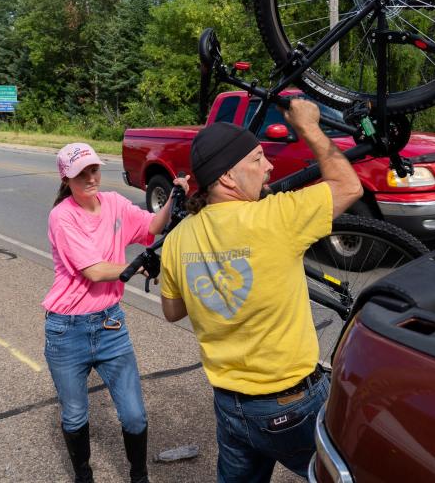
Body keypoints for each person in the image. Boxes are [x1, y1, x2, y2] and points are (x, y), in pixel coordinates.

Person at [159, 99, 362, 481]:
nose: (268, 167)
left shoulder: (177, 239)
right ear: (227, 178)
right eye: (256, 159)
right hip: (291, 404)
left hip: (230, 405)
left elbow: (172, 312)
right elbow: (349, 185)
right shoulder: (275, 218)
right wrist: (309, 127)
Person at [44, 142, 188, 483]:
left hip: (110, 324)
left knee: (135, 415)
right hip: (67, 331)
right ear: (66, 179)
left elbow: (152, 226)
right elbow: (93, 271)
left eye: (94, 169)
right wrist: (139, 265)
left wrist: (174, 198)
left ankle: (139, 476)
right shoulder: (62, 216)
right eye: (82, 174)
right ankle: (83, 475)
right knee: (76, 414)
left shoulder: (114, 204)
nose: (91, 178)